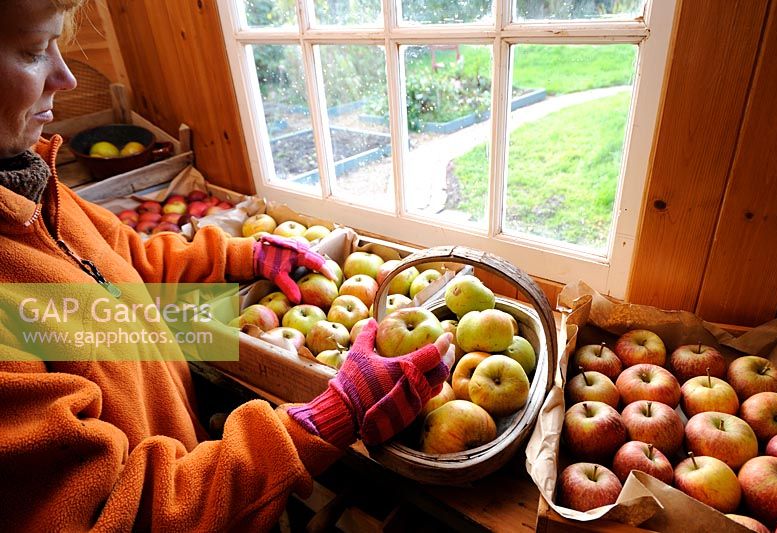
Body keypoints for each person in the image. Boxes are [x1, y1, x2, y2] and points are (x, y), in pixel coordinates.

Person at [0, 1, 453, 531]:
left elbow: (125, 260)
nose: (67, 76)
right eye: (34, 51)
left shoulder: (29, 186)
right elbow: (118, 513)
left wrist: (245, 255)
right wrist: (326, 419)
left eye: (59, 45)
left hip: (185, 451)